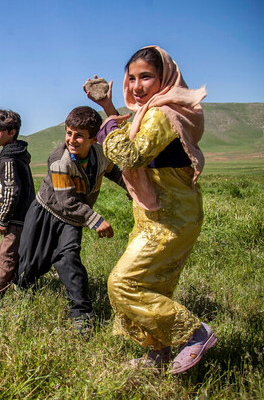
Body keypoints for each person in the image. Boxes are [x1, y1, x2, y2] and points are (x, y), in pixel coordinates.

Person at [85, 45, 215, 374]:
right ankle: (157, 355)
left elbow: (130, 155)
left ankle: (194, 333)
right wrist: (107, 106)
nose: (138, 85)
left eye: (147, 77)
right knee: (153, 287)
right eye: (132, 78)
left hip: (170, 217)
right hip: (158, 214)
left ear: (165, 78)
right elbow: (133, 145)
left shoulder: (163, 113)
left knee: (122, 283)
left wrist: (106, 127)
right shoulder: (152, 111)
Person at [16, 106, 126, 333]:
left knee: (69, 259)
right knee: (30, 263)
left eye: (79, 135)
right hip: (45, 212)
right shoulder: (59, 160)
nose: (72, 140)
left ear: (93, 138)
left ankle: (82, 313)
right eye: (69, 133)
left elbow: (115, 173)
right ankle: (21, 290)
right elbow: (67, 201)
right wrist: (95, 220)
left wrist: (136, 190)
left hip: (72, 219)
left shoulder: (101, 154)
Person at [0, 110, 35, 310]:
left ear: (12, 131)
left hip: (15, 218)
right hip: (26, 214)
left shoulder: (8, 156)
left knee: (5, 258)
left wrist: (3, 219)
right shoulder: (18, 153)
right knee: (18, 256)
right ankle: (21, 292)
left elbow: (12, 190)